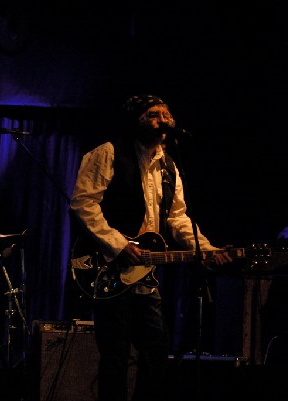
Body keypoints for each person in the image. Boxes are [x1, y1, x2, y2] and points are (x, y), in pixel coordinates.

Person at [69, 94, 235, 401]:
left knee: (156, 350)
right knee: (116, 355)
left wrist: (207, 249)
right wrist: (118, 245)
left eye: (167, 115)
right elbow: (83, 203)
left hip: (145, 275)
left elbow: (177, 216)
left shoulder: (169, 165)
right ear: (137, 120)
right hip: (110, 268)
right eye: (154, 114)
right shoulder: (109, 152)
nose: (164, 120)